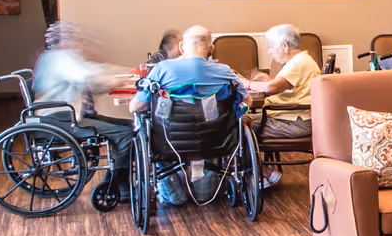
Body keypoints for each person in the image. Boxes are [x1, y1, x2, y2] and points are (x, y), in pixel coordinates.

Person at [133, 25, 246, 205]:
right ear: (212, 48)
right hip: (215, 141)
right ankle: (205, 188)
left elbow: (135, 107)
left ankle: (173, 191)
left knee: (147, 125)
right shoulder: (225, 72)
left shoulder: (162, 70)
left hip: (169, 142)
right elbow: (246, 102)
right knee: (214, 124)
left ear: (182, 47)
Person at [32, 22, 135, 200]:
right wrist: (122, 80)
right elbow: (89, 79)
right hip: (62, 118)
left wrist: (123, 77)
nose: (79, 42)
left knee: (129, 125)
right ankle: (119, 185)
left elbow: (93, 76)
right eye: (75, 38)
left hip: (61, 114)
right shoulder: (61, 58)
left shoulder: (54, 57)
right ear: (64, 40)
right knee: (126, 132)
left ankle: (115, 178)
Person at [247, 23, 320, 186]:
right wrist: (268, 81)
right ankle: (260, 171)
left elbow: (272, 88)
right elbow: (283, 85)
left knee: (237, 126)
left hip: (294, 122)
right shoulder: (301, 61)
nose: (269, 51)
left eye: (272, 47)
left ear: (284, 46)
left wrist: (248, 84)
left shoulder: (298, 63)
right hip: (294, 118)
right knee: (242, 120)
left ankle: (264, 174)